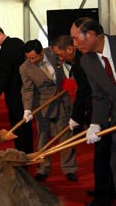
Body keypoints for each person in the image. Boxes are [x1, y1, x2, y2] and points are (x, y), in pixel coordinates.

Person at [71, 17, 116, 206]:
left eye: (75, 38)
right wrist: (96, 122)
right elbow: (99, 95)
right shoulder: (86, 61)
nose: (73, 44)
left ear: (90, 35)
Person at [20, 39, 77, 182]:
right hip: (43, 105)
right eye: (28, 58)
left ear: (41, 52)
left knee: (66, 136)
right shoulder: (25, 68)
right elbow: (27, 89)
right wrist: (27, 109)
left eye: (34, 57)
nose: (31, 60)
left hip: (61, 100)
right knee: (43, 138)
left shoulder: (52, 53)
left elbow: (69, 63)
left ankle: (69, 168)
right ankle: (43, 168)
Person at [0, 24, 33, 154]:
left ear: (0, 34)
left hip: (14, 92)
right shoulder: (17, 42)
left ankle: (21, 152)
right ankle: (28, 150)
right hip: (25, 88)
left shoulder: (5, 51)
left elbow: (4, 76)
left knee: (18, 123)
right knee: (25, 124)